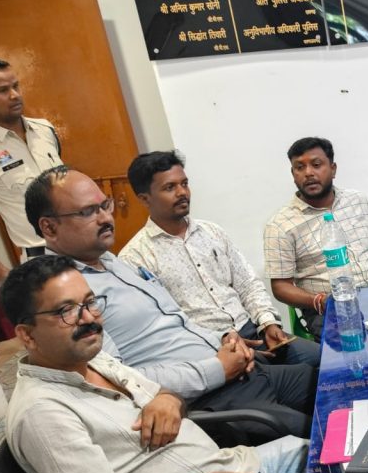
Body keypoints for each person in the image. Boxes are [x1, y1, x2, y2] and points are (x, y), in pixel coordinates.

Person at [0, 255, 305, 473]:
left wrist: (168, 401)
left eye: (90, 302)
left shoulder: (93, 359)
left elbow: (166, 397)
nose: (88, 318)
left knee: (333, 454)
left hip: (236, 466)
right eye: (66, 311)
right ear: (27, 334)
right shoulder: (41, 412)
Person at [26, 165, 317, 442]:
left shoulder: (111, 263)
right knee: (323, 434)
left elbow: (179, 321)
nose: (105, 218)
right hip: (211, 401)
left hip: (241, 371)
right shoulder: (66, 294)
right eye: (88, 211)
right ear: (49, 228)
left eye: (105, 205)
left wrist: (225, 339)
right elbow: (118, 377)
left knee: (334, 383)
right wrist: (217, 368)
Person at [120, 150, 320, 368]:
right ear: (144, 199)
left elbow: (248, 284)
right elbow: (161, 326)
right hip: (210, 352)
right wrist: (220, 340)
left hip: (254, 331)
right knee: (297, 380)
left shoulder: (211, 232)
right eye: (170, 187)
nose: (182, 192)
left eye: (184, 184)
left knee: (325, 360)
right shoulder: (135, 258)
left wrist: (268, 322)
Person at [265, 137, 368, 337]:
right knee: (358, 346)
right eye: (299, 167)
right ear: (293, 174)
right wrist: (319, 301)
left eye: (316, 165)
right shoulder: (280, 225)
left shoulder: (358, 201)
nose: (308, 173)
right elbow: (280, 286)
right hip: (329, 309)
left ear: (333, 169)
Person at [0, 58, 63, 284]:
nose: (15, 95)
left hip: (83, 247)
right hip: (42, 262)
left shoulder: (44, 129)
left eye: (16, 86)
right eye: (3, 90)